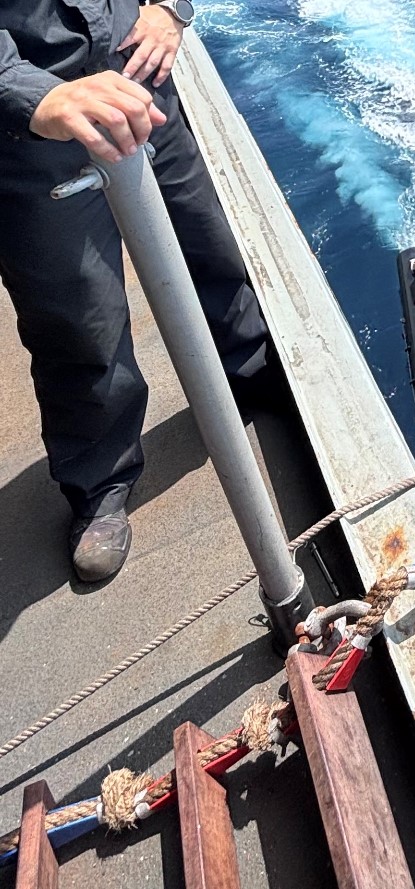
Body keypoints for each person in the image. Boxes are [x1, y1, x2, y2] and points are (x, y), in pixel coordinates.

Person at [0, 0, 271, 583]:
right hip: (33, 129)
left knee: (209, 242)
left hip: (139, 77)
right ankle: (101, 479)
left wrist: (171, 8)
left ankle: (250, 370)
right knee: (76, 314)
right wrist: (22, 90)